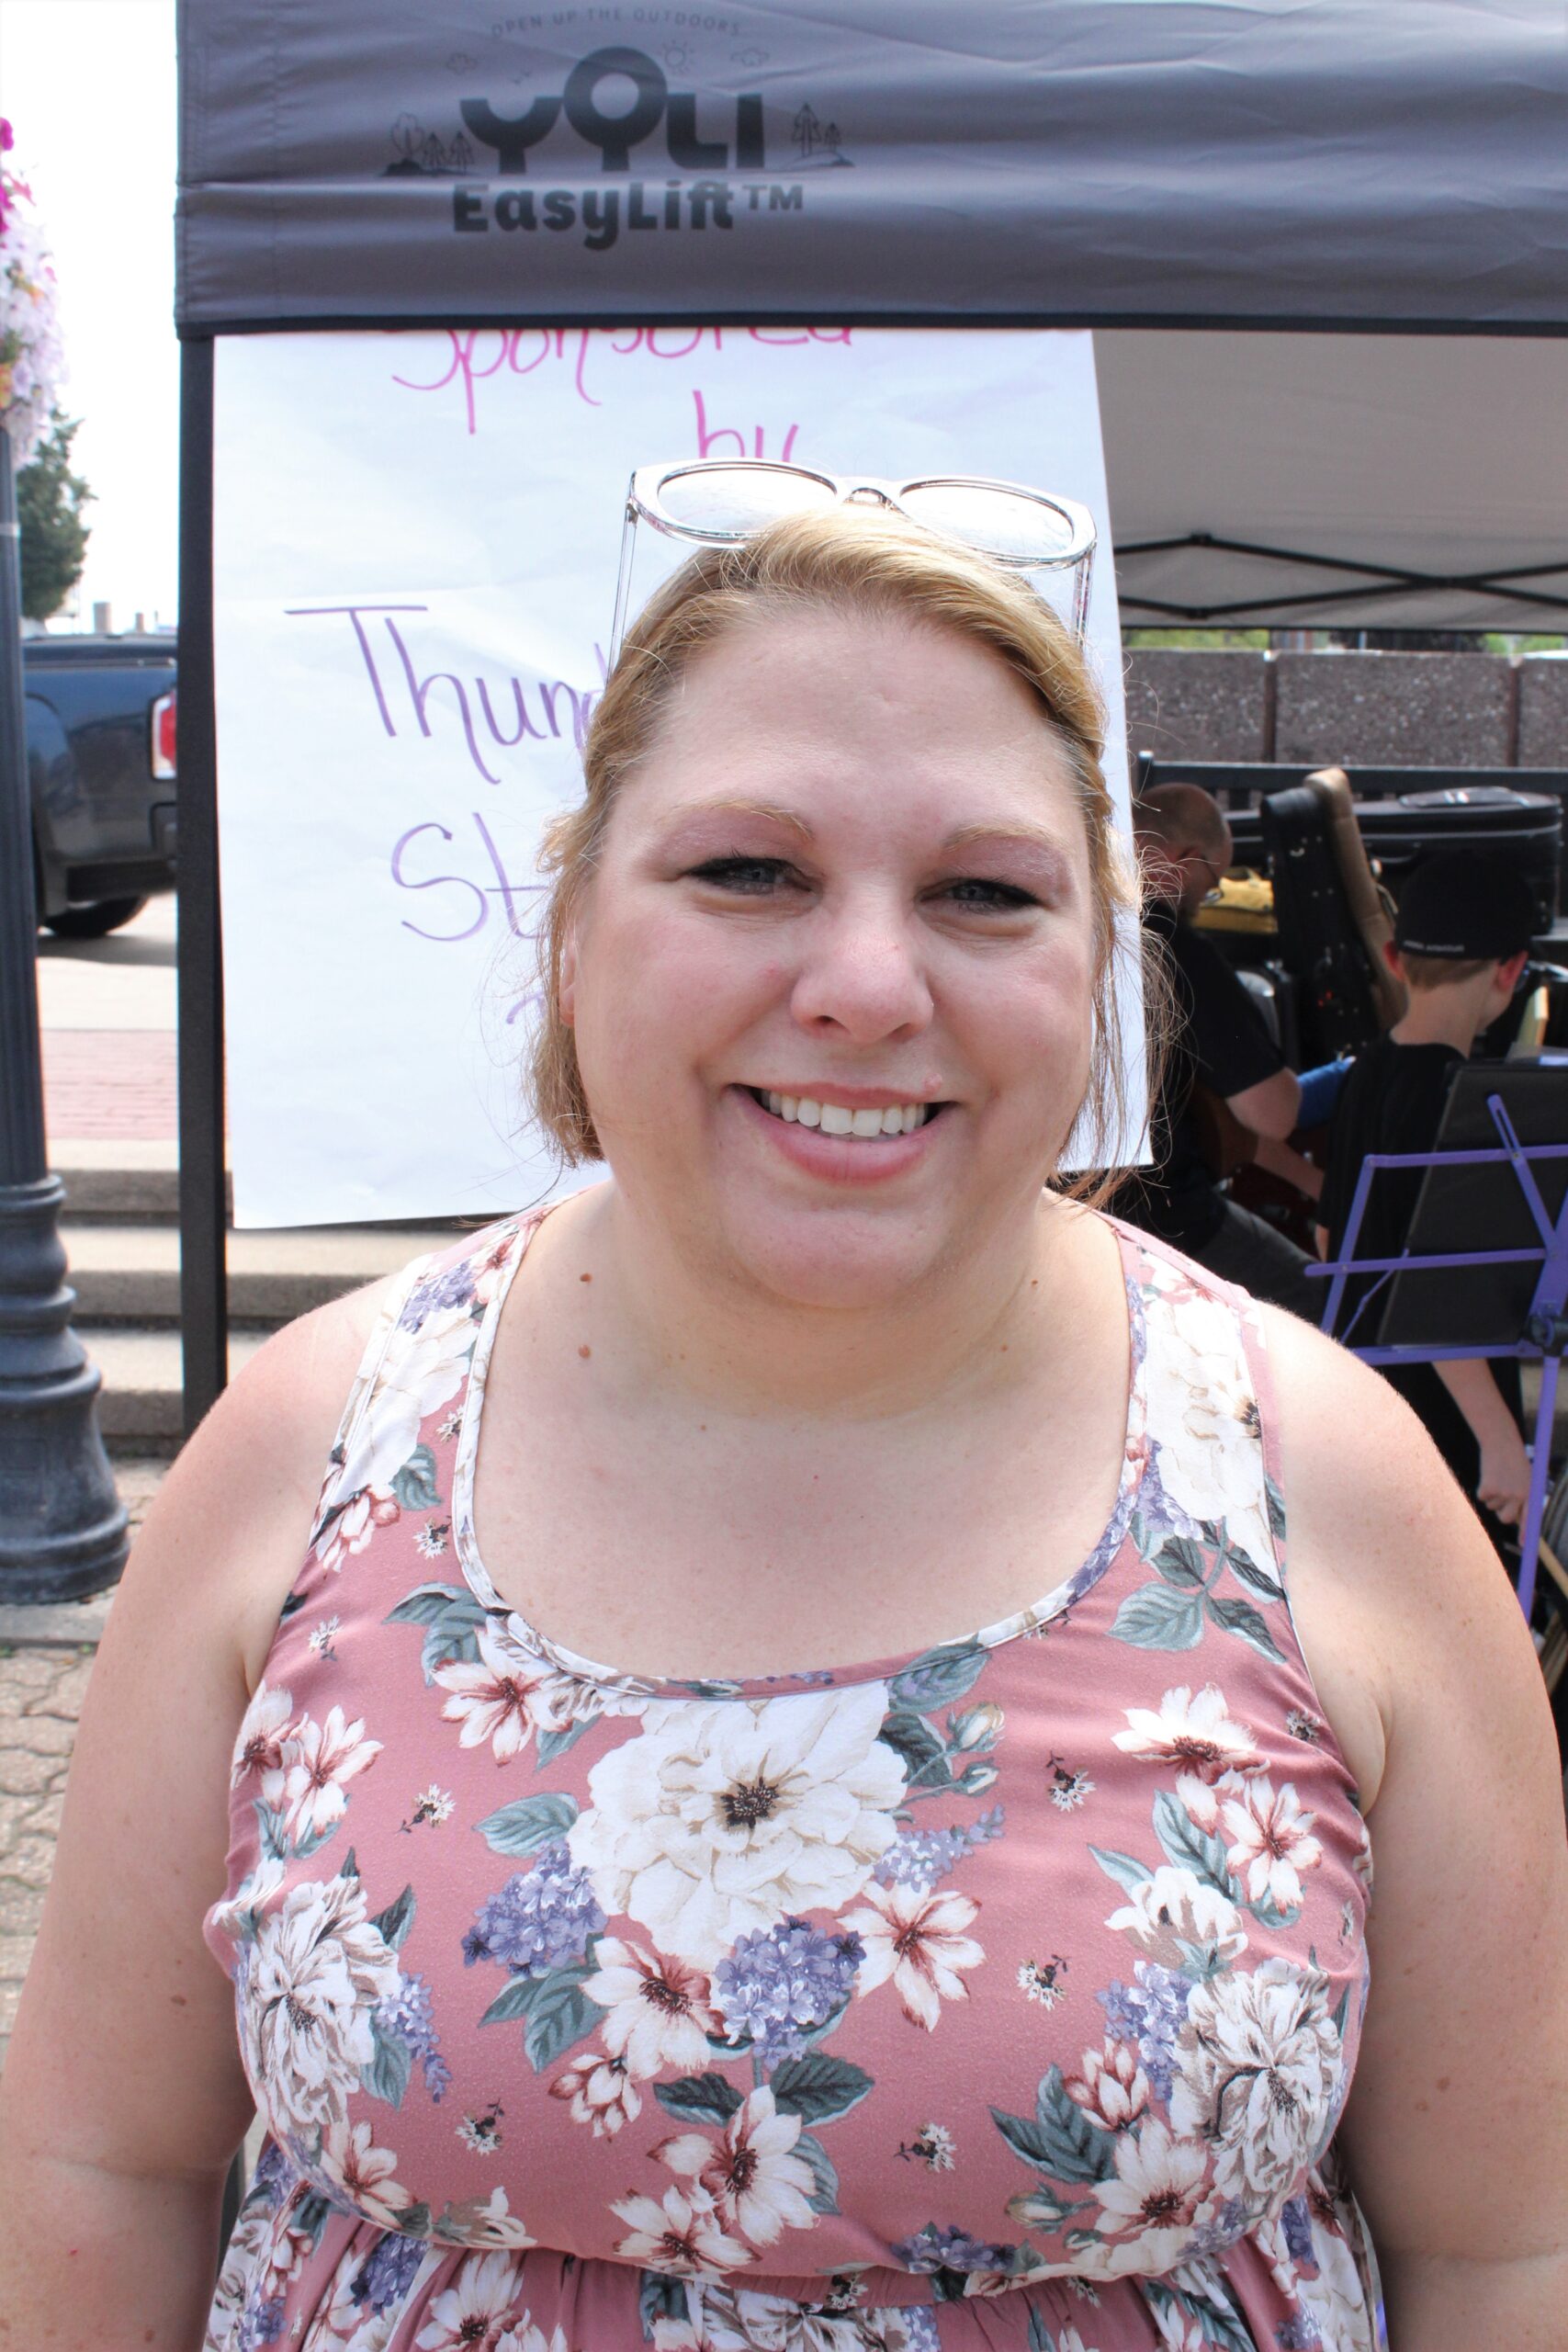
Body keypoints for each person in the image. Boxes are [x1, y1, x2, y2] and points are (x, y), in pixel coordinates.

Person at [2, 506, 1565, 2352]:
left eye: (984, 892)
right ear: (576, 925)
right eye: (748, 868)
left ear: (1097, 964)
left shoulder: (1327, 1480)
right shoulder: (315, 1441)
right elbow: (105, 2157)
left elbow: (1503, 2249)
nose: (868, 984)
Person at [1316, 853, 1537, 1549]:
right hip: (1445, 1415)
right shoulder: (1464, 1103)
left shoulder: (1366, 1070)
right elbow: (1438, 1291)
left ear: (1393, 959)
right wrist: (1499, 1440)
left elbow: (1329, 1237)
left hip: (1365, 1391)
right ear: (1510, 971)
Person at [1115, 785, 1325, 1319]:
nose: (1206, 900)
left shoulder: (1077, 925)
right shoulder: (1175, 948)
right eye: (1212, 883)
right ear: (1185, 861)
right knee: (1320, 1305)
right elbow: (1272, 1113)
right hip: (1162, 1214)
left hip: (1063, 1209)